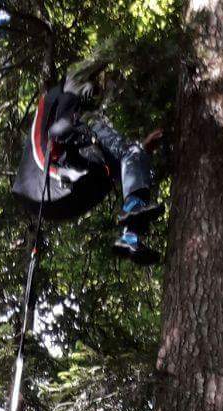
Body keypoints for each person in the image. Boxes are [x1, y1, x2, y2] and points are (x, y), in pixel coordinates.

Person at [12, 58, 164, 263]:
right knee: (93, 133)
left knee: (131, 153)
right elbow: (45, 140)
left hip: (69, 194)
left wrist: (142, 151)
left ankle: (129, 237)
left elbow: (125, 163)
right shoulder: (63, 96)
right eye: (96, 86)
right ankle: (130, 211)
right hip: (46, 183)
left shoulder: (81, 116)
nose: (97, 92)